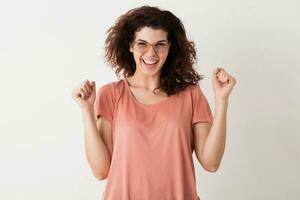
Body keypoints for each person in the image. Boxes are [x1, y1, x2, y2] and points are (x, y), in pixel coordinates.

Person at [72, 5, 236, 200]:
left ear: (170, 47)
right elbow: (101, 171)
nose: (151, 53)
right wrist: (86, 110)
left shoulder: (191, 94)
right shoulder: (111, 94)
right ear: (130, 45)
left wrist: (222, 100)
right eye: (142, 44)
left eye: (159, 44)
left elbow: (211, 162)